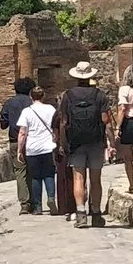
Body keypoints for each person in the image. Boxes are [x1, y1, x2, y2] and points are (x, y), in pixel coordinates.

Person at [58, 60, 112, 227]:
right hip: (96, 142)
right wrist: (111, 142)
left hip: (76, 143)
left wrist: (63, 143)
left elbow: (63, 122)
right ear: (90, 76)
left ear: (76, 76)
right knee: (96, 179)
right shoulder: (99, 95)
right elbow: (106, 120)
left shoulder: (68, 96)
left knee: (78, 178)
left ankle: (81, 214)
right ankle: (96, 214)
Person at [16, 86, 58, 215]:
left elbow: (22, 132)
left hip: (32, 148)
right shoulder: (51, 109)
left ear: (31, 97)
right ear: (43, 96)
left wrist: (19, 150)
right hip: (48, 146)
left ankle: (38, 207)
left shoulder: (27, 111)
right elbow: (56, 126)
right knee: (49, 174)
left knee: (35, 177)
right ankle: (51, 198)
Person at [0, 76, 37, 212]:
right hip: (33, 141)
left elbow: (3, 124)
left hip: (15, 141)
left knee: (20, 172)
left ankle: (24, 203)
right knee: (33, 171)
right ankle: (36, 202)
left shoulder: (9, 103)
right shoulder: (33, 103)